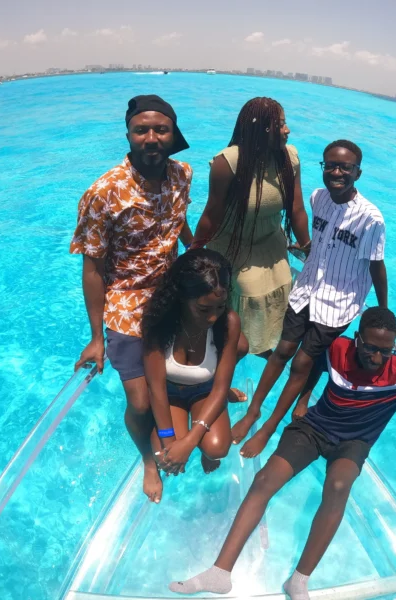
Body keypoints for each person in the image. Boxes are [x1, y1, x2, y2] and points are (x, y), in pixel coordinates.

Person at [169, 307, 396, 599]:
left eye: (386, 350)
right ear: (357, 339)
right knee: (264, 480)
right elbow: (308, 370)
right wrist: (293, 408)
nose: (377, 357)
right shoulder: (337, 349)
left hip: (355, 441)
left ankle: (299, 579)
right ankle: (219, 572)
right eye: (370, 347)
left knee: (339, 487)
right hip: (314, 429)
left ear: (395, 345)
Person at [232, 139, 396, 458]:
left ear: (357, 173)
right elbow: (322, 243)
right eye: (330, 165)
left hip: (338, 303)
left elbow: (377, 267)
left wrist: (384, 313)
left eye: (345, 167)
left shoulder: (370, 219)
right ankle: (253, 412)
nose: (337, 171)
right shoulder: (317, 198)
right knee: (281, 351)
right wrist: (305, 250)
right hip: (305, 290)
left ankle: (268, 428)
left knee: (303, 362)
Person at [70, 95, 194, 503]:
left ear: (173, 134)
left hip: (174, 292)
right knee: (140, 403)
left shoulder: (183, 174)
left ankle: (203, 401)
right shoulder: (104, 193)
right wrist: (96, 337)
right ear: (128, 135)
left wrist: (195, 254)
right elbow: (92, 269)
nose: (152, 137)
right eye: (142, 130)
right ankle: (147, 459)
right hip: (127, 302)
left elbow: (180, 220)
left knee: (191, 364)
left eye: (161, 129)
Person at [191, 97, 311, 358]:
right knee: (248, 290)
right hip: (234, 245)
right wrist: (194, 252)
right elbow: (211, 214)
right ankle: (234, 346)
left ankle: (260, 344)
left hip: (271, 241)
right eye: (279, 125)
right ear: (260, 129)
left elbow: (297, 209)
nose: (287, 130)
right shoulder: (228, 162)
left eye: (285, 123)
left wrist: (308, 250)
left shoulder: (290, 157)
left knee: (282, 288)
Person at [143, 249, 249, 483]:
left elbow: (219, 388)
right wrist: (171, 443)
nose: (213, 317)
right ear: (181, 297)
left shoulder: (228, 323)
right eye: (203, 309)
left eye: (220, 307)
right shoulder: (159, 320)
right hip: (169, 393)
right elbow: (156, 388)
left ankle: (210, 420)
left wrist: (190, 443)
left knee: (217, 448)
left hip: (206, 389)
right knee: (165, 458)